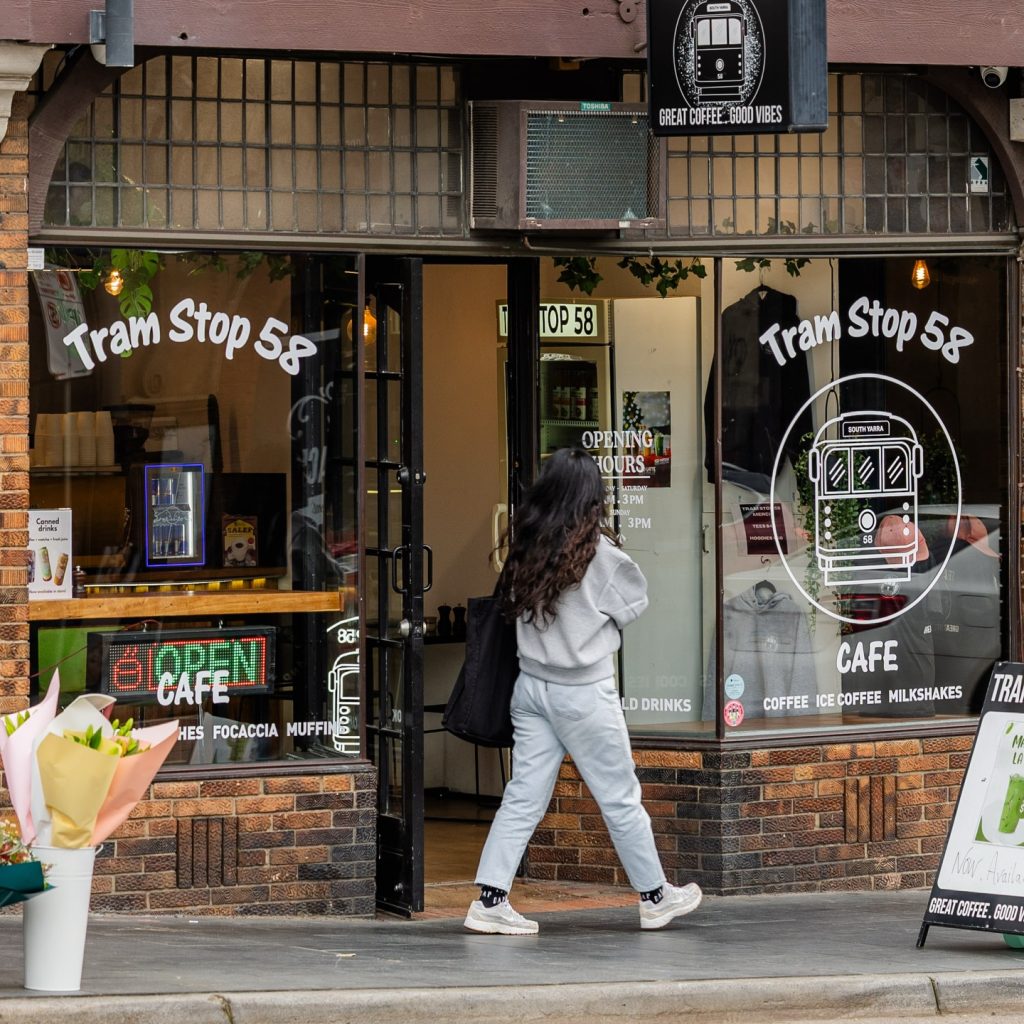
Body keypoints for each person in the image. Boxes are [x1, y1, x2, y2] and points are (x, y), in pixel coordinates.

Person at [464, 447, 703, 935]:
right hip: (584, 693)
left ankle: (490, 899)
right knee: (619, 797)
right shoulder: (604, 558)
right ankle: (655, 896)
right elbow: (633, 606)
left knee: (522, 797)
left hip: (530, 690)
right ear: (592, 497)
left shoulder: (524, 549)